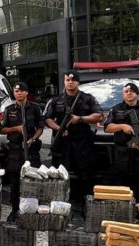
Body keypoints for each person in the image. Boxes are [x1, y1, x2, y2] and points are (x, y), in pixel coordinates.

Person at [44, 71, 103, 209]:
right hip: (62, 143)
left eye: (73, 80)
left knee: (85, 174)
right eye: (67, 80)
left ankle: (86, 205)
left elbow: (99, 116)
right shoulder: (55, 100)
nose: (70, 82)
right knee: (59, 174)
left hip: (82, 142)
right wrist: (58, 128)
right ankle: (60, 204)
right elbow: (46, 118)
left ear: (78, 82)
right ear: (64, 81)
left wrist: (80, 119)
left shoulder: (87, 98)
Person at [103, 83, 139, 202]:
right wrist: (122, 126)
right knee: (120, 181)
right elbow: (107, 127)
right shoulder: (116, 109)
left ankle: (138, 208)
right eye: (126, 91)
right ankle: (122, 206)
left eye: (132, 91)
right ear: (123, 94)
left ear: (137, 94)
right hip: (122, 153)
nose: (129, 93)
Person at [0, 81, 44, 222]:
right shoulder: (9, 109)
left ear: (26, 93)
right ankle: (14, 210)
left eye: (21, 91)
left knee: (33, 180)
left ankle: (32, 211)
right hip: (14, 151)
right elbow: (2, 129)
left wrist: (33, 139)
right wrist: (16, 129)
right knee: (15, 182)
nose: (18, 93)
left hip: (31, 150)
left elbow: (40, 127)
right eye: (16, 91)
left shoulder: (35, 108)